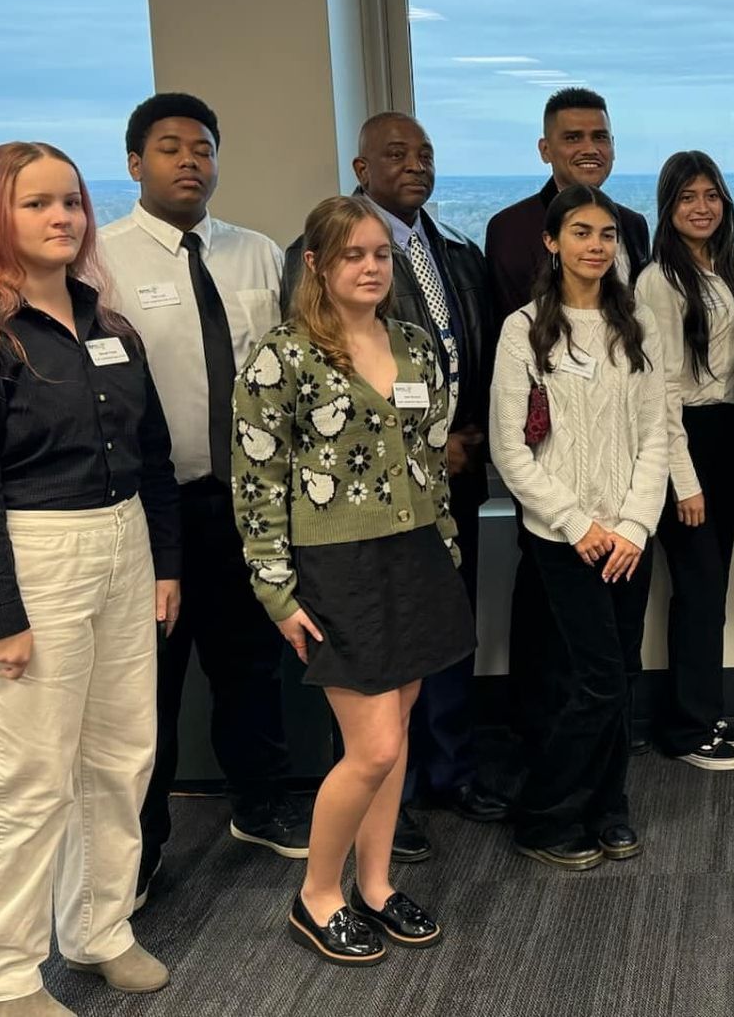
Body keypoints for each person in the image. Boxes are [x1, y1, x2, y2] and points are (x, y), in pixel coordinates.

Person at [0, 141, 180, 1015]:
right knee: (30, 779)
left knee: (119, 758)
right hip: (31, 559)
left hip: (124, 544)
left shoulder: (107, 326)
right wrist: (0, 613)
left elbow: (153, 454)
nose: (62, 217)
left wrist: (165, 566)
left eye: (70, 201)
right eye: (37, 203)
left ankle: (99, 928)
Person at [235, 195, 472, 965]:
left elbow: (428, 458)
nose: (371, 268)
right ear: (317, 266)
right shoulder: (284, 354)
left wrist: (446, 552)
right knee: (369, 746)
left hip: (415, 556)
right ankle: (317, 895)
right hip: (337, 566)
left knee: (395, 731)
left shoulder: (412, 343)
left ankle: (374, 884)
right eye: (352, 256)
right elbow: (258, 479)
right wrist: (275, 591)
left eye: (380, 255)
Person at [97, 94, 307, 906]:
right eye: (171, 148)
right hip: (156, 508)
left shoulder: (256, 255)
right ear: (134, 164)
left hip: (248, 501)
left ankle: (259, 805)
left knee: (250, 666)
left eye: (204, 149)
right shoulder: (103, 259)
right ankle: (141, 848)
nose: (190, 161)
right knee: (149, 683)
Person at [284, 111, 501, 863]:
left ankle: (449, 769)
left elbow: (455, 351)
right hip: (356, 513)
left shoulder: (452, 252)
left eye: (426, 154)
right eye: (396, 154)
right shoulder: (315, 255)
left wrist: (459, 439)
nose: (415, 164)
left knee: (443, 635)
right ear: (360, 166)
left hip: (446, 484)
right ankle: (392, 800)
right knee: (378, 665)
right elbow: (316, 394)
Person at [490, 184, 668, 869]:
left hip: (627, 537)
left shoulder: (638, 326)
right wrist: (576, 523)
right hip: (562, 538)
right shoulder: (524, 330)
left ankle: (608, 805)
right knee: (591, 679)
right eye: (582, 233)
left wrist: (632, 526)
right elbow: (512, 448)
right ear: (552, 241)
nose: (596, 246)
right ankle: (544, 816)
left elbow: (655, 435)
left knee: (619, 673)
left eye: (607, 235)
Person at [483, 87, 654, 754]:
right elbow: (516, 352)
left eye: (601, 136)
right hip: (549, 473)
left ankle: (600, 759)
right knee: (552, 632)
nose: (589, 148)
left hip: (621, 472)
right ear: (545, 148)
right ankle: (545, 754)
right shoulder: (511, 228)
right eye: (574, 137)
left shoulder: (632, 226)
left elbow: (635, 356)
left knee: (611, 652)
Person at [633, 151, 734, 770]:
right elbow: (662, 393)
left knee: (712, 588)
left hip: (724, 434)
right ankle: (685, 728)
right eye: (687, 198)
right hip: (685, 441)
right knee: (699, 587)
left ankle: (701, 709)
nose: (702, 207)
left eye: (711, 195)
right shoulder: (659, 280)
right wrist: (684, 481)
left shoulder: (725, 268)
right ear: (668, 208)